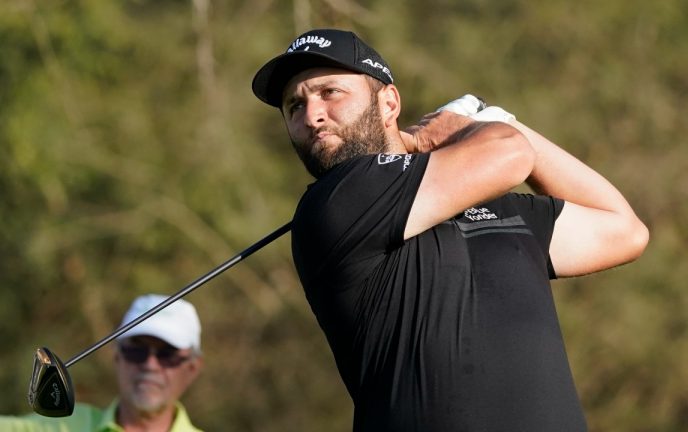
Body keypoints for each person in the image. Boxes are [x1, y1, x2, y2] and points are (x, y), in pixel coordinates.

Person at [252, 28, 649, 431]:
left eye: (329, 93)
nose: (311, 115)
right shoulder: (336, 201)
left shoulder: (494, 202)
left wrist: (501, 121)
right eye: (294, 105)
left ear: (388, 102)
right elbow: (510, 154)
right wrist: (468, 128)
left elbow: (623, 230)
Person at [0, 294, 204, 432]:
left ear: (193, 368)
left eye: (167, 354)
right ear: (117, 356)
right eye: (136, 351)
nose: (150, 365)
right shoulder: (61, 426)